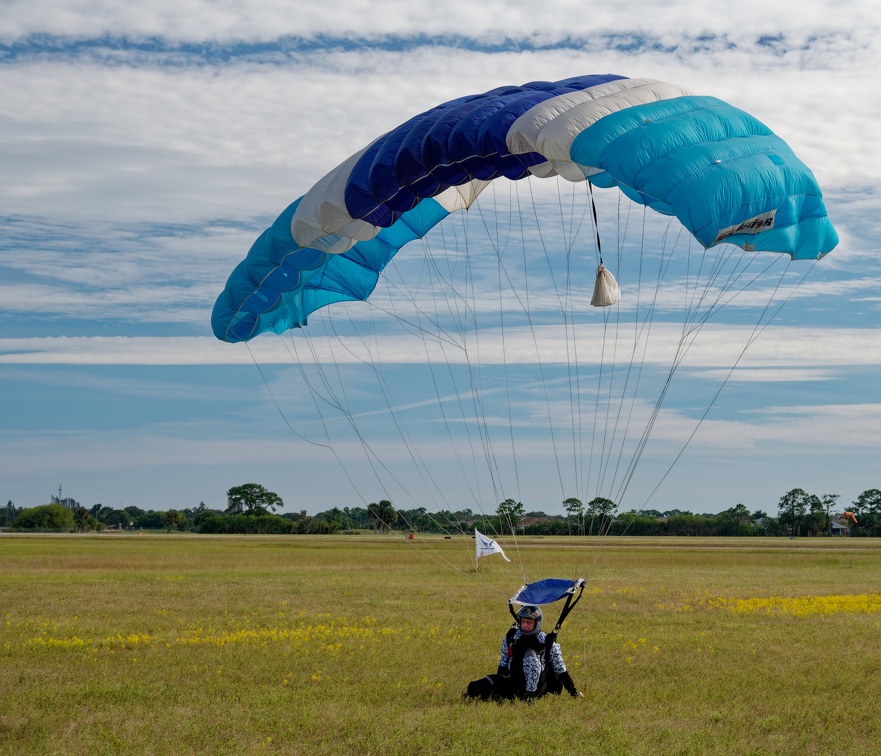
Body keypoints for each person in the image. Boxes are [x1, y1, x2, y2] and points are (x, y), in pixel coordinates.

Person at [465, 604, 582, 701]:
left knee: (530, 656)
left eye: (529, 623)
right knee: (477, 686)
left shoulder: (547, 642)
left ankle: (528, 698)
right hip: (514, 681)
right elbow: (503, 662)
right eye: (523, 622)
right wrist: (497, 684)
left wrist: (573, 691)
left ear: (536, 623)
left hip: (537, 688)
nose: (525, 625)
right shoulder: (512, 637)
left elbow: (560, 669)